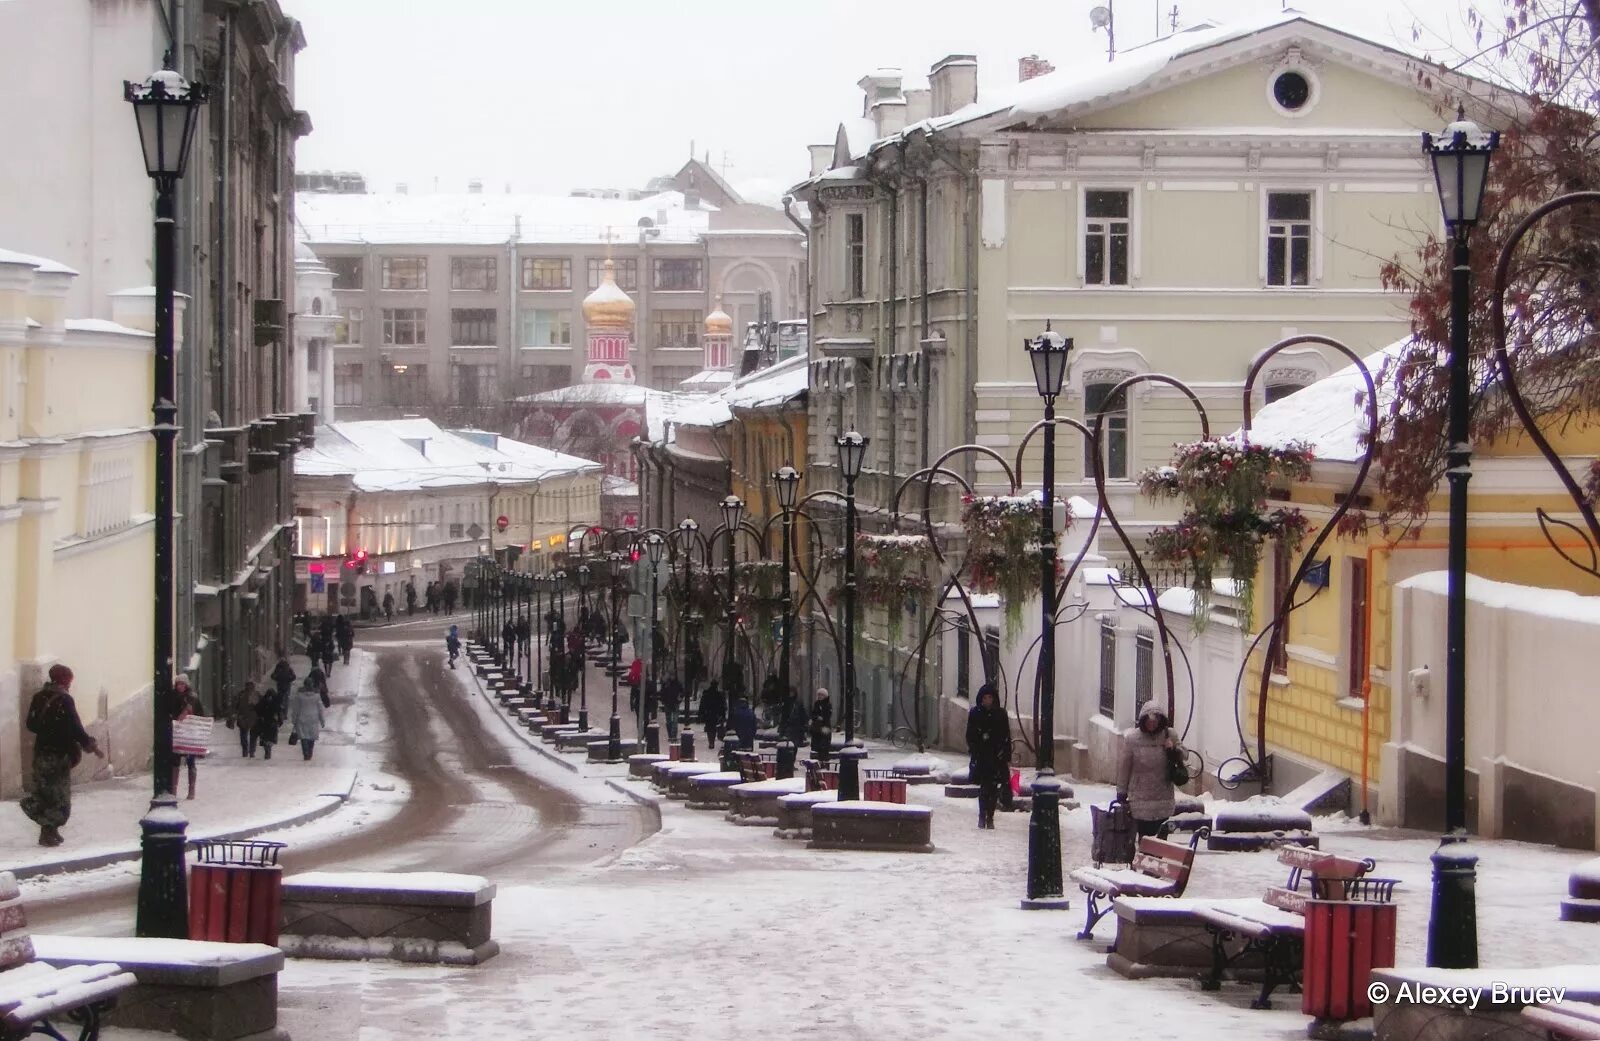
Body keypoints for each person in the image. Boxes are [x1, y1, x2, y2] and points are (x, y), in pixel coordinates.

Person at [20, 665, 103, 846]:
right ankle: (46, 828)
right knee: (59, 796)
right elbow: (76, 727)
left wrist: (47, 729)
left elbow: (31, 724)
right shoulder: (65, 700)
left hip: (42, 752)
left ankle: (49, 830)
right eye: (69, 680)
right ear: (64, 680)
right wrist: (88, 743)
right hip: (59, 754)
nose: (70, 685)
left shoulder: (38, 697)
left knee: (45, 792)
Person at [1118, 702, 1186, 838]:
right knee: (1145, 837)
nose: (1152, 725)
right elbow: (1125, 767)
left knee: (1161, 840)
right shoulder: (1132, 739)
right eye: (1149, 722)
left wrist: (1173, 749)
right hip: (1140, 798)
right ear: (1143, 721)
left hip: (1163, 796)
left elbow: (1185, 755)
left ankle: (1156, 859)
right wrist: (1121, 791)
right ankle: (1145, 858)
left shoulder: (1169, 735)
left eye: (1155, 722)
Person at [966, 682, 1011, 829]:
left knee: (993, 789)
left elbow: (1006, 736)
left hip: (996, 758)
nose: (987, 700)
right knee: (984, 788)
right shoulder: (976, 713)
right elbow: (970, 735)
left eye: (990, 697)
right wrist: (975, 750)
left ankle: (990, 816)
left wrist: (1005, 755)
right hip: (982, 757)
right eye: (985, 697)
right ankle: (981, 815)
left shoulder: (1000, 714)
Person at [171, 674, 204, 800]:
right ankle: (173, 790)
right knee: (175, 762)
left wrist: (188, 714)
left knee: (191, 761)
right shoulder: (173, 696)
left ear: (186, 685)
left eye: (182, 684)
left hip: (190, 733)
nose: (180, 686)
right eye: (178, 684)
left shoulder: (192, 697)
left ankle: (191, 790)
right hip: (177, 732)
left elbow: (199, 714)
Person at [287, 677, 326, 761]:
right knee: (312, 737)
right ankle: (310, 752)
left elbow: (296, 708)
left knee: (303, 736)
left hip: (302, 718)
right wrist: (322, 720)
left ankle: (306, 753)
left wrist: (294, 719)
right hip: (313, 718)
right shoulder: (316, 696)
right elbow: (320, 708)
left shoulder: (299, 696)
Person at [230, 680, 260, 758]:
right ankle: (251, 751)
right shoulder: (256, 695)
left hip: (243, 717)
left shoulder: (241, 694)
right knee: (252, 736)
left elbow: (235, 706)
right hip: (253, 718)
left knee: (244, 735)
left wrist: (234, 715)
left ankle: (245, 750)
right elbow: (261, 706)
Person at [254, 684, 284, 760]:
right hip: (272, 721)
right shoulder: (276, 702)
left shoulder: (263, 701)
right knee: (271, 737)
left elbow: (258, 710)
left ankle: (266, 748)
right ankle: (268, 747)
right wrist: (280, 720)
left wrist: (259, 717)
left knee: (265, 737)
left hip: (264, 721)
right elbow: (279, 711)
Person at [809, 687, 834, 764]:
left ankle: (824, 763)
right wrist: (816, 718)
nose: (820, 696)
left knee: (824, 746)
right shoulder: (816, 704)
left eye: (821, 695)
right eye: (819, 695)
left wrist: (821, 718)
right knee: (817, 747)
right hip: (817, 728)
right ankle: (818, 763)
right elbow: (813, 713)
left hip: (824, 728)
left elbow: (827, 715)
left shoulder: (827, 704)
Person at [698, 681, 725, 751]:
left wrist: (701, 714)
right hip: (715, 714)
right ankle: (712, 741)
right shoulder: (718, 695)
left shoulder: (706, 694)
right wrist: (722, 715)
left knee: (709, 728)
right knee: (714, 728)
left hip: (708, 714)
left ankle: (711, 742)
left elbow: (702, 705)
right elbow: (722, 706)